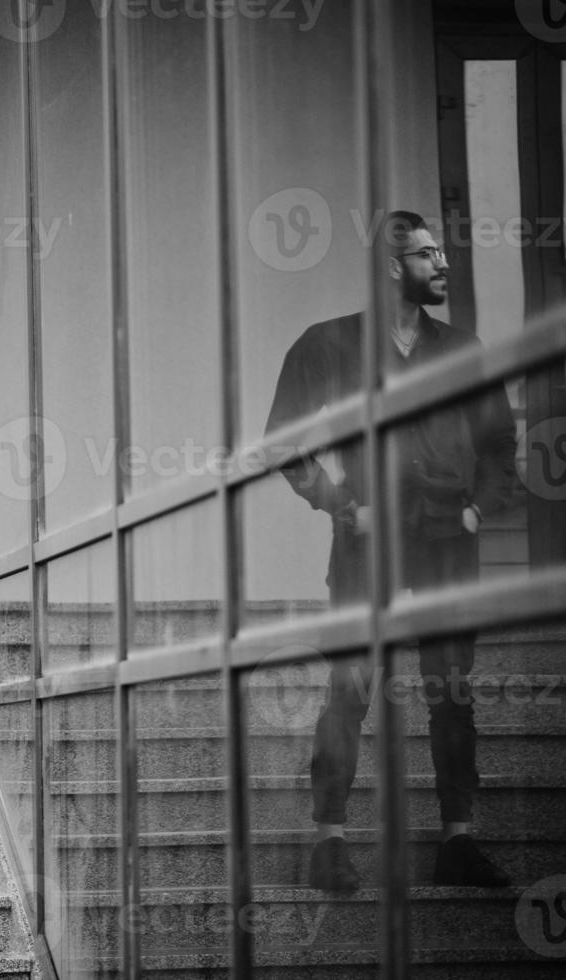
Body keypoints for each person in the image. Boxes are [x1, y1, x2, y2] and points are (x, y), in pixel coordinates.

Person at [265, 211, 517, 892]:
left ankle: (456, 842)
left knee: (451, 691)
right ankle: (329, 843)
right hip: (366, 547)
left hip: (444, 545)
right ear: (389, 266)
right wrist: (339, 503)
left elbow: (499, 449)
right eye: (425, 255)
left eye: (440, 252)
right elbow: (281, 443)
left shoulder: (463, 349)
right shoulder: (328, 344)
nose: (441, 264)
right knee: (349, 687)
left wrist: (474, 510)